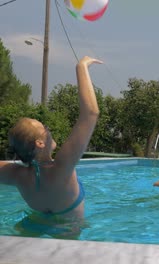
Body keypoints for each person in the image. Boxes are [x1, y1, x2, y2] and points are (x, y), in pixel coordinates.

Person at [0, 56, 103, 236]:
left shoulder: (16, 174)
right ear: (40, 143)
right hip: (66, 231)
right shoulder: (61, 167)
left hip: (31, 225)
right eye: (44, 128)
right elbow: (91, 113)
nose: (48, 129)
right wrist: (82, 66)